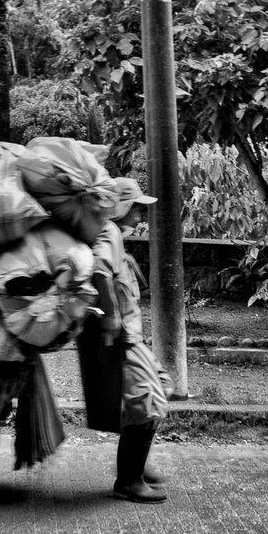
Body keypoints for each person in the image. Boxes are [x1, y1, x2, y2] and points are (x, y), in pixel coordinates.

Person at [91, 177, 174, 503]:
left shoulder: (115, 234)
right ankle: (129, 480)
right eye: (136, 208)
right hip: (123, 337)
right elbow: (99, 269)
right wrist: (111, 315)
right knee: (146, 402)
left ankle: (136, 464)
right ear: (120, 206)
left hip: (132, 336)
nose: (140, 215)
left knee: (159, 386)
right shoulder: (109, 233)